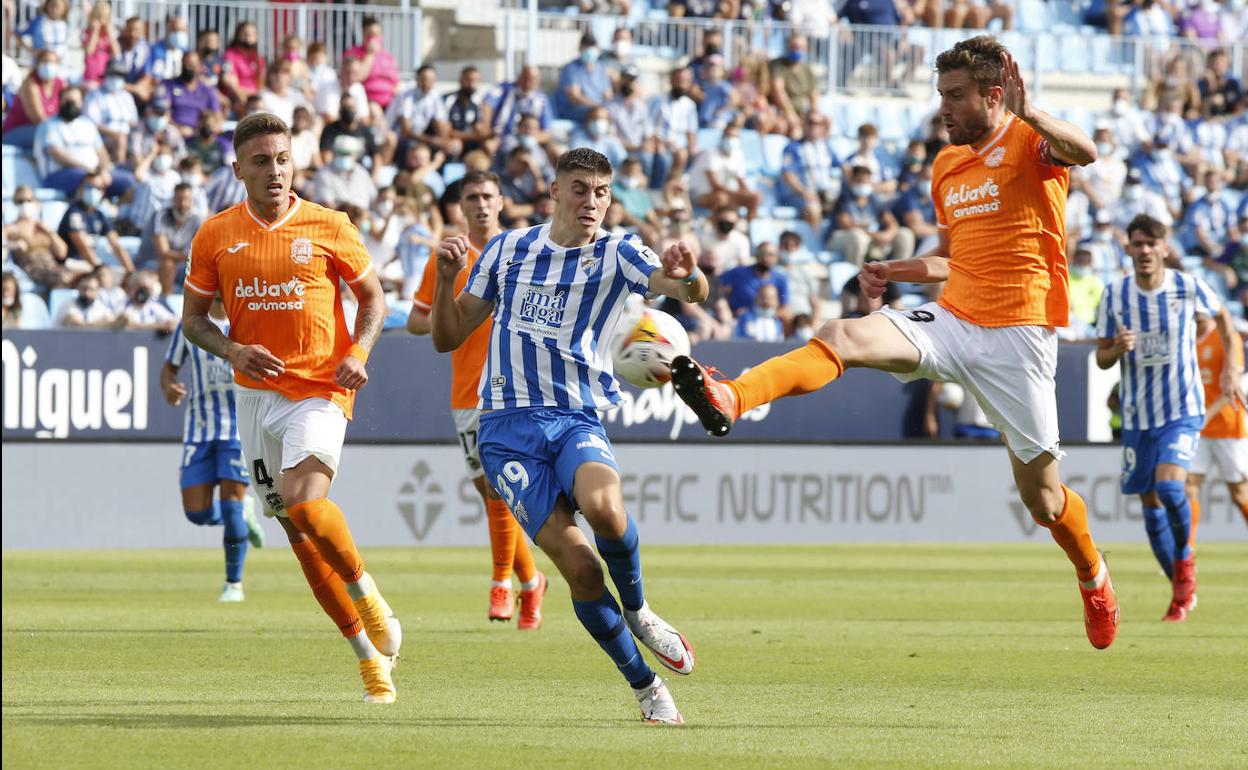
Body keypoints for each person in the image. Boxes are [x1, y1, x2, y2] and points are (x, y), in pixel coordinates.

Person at [669, 37, 1121, 650]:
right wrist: (892, 270)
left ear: (995, 95)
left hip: (1020, 336)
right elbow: (956, 262)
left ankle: (1092, 572)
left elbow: (1086, 151)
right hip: (955, 320)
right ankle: (730, 397)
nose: (944, 109)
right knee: (842, 334)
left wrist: (1030, 110)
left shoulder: (1031, 143)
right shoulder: (947, 166)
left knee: (1043, 502)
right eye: (941, 96)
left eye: (956, 96)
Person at [429, 147, 705, 724]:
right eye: (579, 189)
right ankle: (646, 688)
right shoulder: (507, 251)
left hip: (576, 416)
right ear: (554, 191)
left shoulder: (620, 251)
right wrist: (447, 279)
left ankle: (640, 609)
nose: (592, 202)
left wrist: (689, 271)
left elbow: (685, 292)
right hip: (504, 430)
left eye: (602, 192)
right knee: (580, 569)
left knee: (605, 509)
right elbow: (448, 337)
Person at [182, 112, 401, 704]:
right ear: (238, 169)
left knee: (307, 504)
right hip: (253, 398)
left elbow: (373, 298)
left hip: (320, 389)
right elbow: (194, 321)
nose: (275, 171)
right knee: (297, 535)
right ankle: (366, 657)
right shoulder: (215, 235)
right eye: (261, 161)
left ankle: (369, 595)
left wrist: (360, 347)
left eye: (282, 159)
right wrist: (233, 348)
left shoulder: (331, 225)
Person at [406, 170, 548, 627]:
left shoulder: (524, 252)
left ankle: (501, 583)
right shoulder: (446, 257)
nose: (481, 204)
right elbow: (416, 319)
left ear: (502, 200)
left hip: (515, 387)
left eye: (488, 195)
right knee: (491, 492)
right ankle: (532, 581)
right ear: (460, 207)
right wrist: (453, 315)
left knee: (496, 489)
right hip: (466, 389)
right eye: (472, 197)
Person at [1094, 214, 1244, 623]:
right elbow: (1101, 356)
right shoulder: (1115, 295)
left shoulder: (1187, 286)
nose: (1144, 251)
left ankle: (1185, 563)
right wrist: (1117, 349)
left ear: (1164, 248)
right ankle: (1179, 582)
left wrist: (1232, 367)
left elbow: (1225, 320)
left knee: (1169, 486)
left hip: (1182, 409)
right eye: (1137, 244)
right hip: (1138, 415)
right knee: (1149, 502)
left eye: (1151, 243)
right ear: (1127, 248)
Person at [163, 297, 266, 602]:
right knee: (197, 512)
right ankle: (244, 512)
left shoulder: (248, 324)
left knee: (231, 505)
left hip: (238, 430)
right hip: (198, 429)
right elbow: (169, 369)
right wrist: (169, 387)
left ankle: (233, 584)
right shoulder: (191, 326)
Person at [1186, 316, 1248, 531]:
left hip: (1228, 428)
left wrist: (1206, 416)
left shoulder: (1228, 338)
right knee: (1188, 486)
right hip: (1198, 430)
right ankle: (1186, 555)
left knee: (1239, 494)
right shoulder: (1186, 336)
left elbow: (1232, 388)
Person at [57, 173, 136, 275]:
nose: (93, 191)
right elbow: (83, 248)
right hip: (71, 264)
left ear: (103, 192)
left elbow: (116, 246)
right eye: (89, 187)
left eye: (98, 188)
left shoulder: (100, 215)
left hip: (89, 266)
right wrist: (99, 270)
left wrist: (131, 272)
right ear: (81, 189)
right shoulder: (74, 213)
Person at [3, 187, 75, 288]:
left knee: (79, 277)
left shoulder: (43, 226)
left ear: (35, 201)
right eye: (20, 201)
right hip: (30, 267)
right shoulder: (12, 227)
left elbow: (62, 253)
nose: (25, 204)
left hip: (51, 265)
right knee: (63, 278)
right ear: (15, 203)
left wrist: (50, 233)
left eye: (29, 200)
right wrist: (13, 245)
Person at [2, 48, 64, 149]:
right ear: (37, 64)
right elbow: (38, 119)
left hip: (47, 130)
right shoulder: (30, 85)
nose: (49, 65)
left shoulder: (60, 84)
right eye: (45, 61)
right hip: (16, 131)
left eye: (53, 62)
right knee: (49, 137)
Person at [343, 16, 399, 110]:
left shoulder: (388, 57)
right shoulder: (352, 53)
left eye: (377, 34)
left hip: (390, 103)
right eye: (370, 34)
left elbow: (396, 83)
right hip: (366, 102)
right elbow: (356, 77)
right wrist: (370, 55)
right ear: (363, 35)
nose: (374, 37)